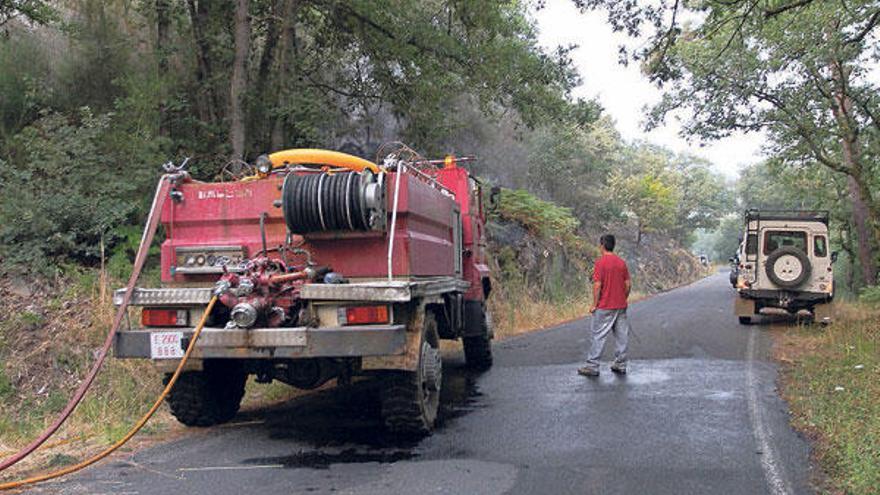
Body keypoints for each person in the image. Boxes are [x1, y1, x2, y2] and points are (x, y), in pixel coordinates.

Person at [579, 234, 632, 377]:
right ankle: (620, 364)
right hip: (620, 306)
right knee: (622, 336)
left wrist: (594, 305)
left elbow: (597, 285)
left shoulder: (600, 263)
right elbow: (628, 284)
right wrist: (623, 297)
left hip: (605, 306)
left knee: (598, 336)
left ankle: (592, 366)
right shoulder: (621, 262)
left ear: (602, 245)